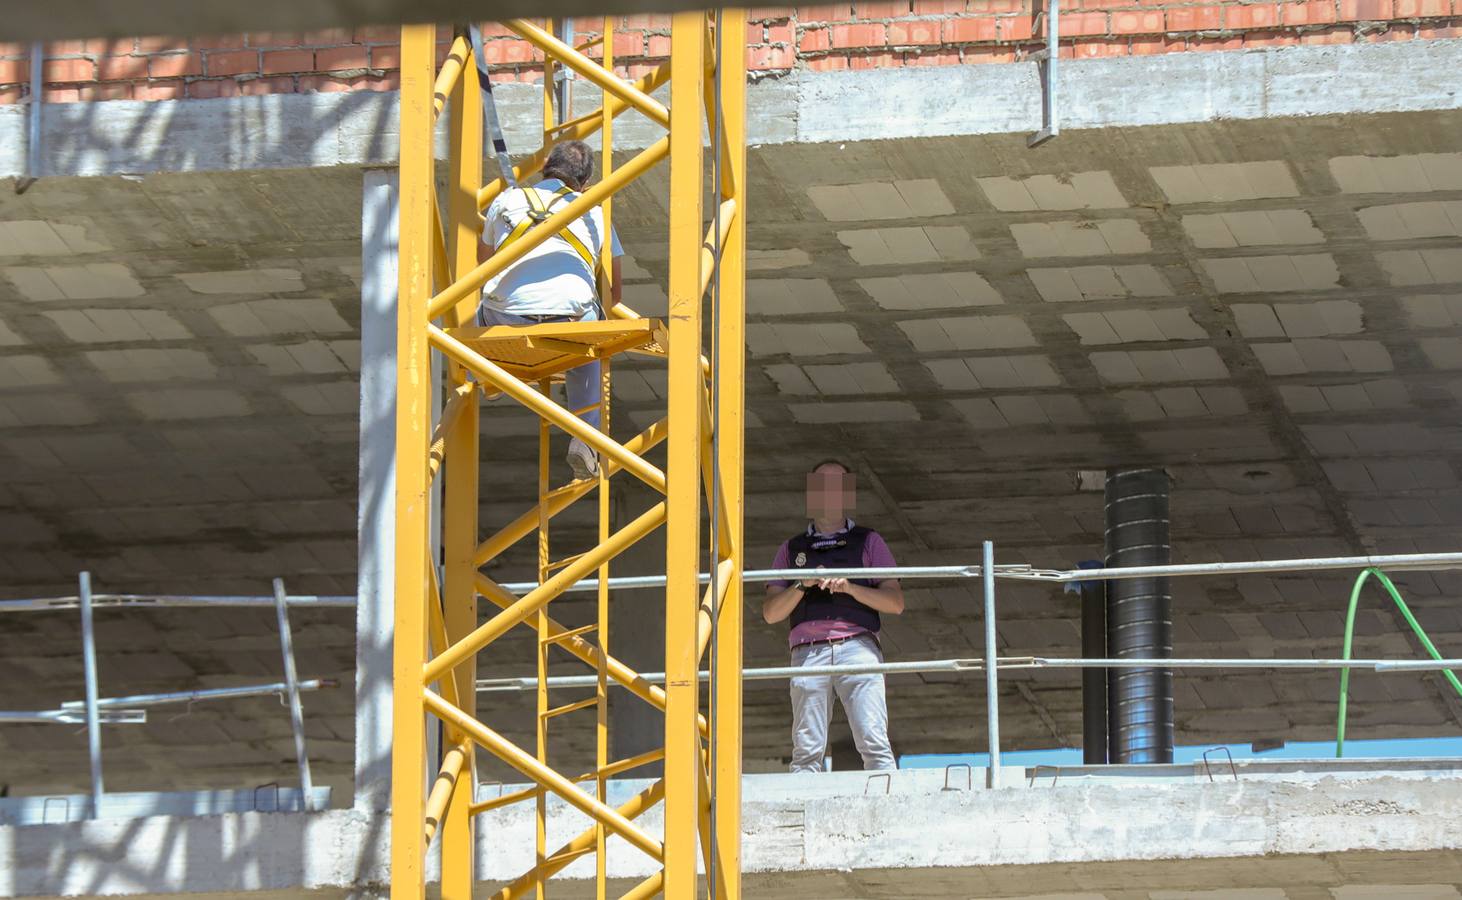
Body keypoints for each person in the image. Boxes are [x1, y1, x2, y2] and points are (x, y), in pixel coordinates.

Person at [478, 140, 623, 480]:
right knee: (591, 348)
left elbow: (481, 266)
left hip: (507, 316)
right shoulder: (595, 213)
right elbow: (615, 293)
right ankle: (585, 439)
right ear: (584, 183)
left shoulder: (508, 200)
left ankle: (485, 375)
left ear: (545, 164)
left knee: (477, 300)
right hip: (569, 316)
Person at [762, 459, 904, 773]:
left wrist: (849, 587)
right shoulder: (790, 549)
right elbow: (771, 613)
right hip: (807, 652)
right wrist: (804, 582)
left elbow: (895, 602)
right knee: (807, 751)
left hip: (858, 648)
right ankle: (804, 813)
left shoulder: (869, 541)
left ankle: (887, 811)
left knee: (874, 741)